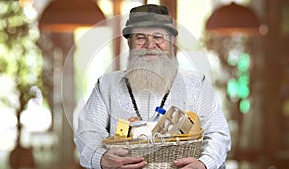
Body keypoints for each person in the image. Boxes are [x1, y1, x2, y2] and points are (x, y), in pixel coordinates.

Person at [74, 4, 231, 169]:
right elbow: (87, 133)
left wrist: (203, 164)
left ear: (170, 41)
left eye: (158, 37)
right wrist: (101, 159)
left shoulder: (197, 84)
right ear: (129, 43)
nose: (150, 45)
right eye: (140, 38)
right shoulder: (106, 85)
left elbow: (218, 134)